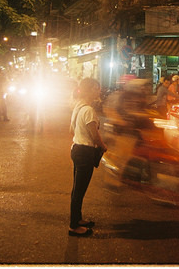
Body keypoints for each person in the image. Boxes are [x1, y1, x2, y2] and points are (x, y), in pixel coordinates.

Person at [69, 78, 107, 237]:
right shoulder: (89, 111)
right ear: (91, 89)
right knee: (79, 190)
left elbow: (71, 129)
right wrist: (103, 146)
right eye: (97, 88)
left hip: (77, 148)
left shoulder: (78, 107)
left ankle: (77, 219)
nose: (99, 91)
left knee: (77, 189)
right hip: (84, 152)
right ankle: (73, 227)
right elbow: (95, 135)